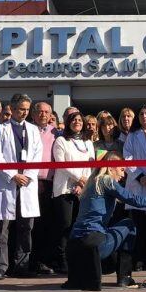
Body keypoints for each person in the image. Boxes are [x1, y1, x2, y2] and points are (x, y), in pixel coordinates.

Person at [64, 151, 146, 291]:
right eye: (121, 169)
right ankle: (125, 278)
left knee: (115, 227)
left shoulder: (90, 184)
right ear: (111, 167)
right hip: (92, 244)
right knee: (129, 224)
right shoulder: (106, 181)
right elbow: (137, 201)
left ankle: (112, 269)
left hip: (73, 246)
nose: (123, 175)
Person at [0, 93, 42, 279]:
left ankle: (22, 265)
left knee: (26, 227)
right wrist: (13, 176)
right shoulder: (1, 130)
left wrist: (26, 176)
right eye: (21, 109)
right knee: (2, 228)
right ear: (11, 108)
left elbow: (37, 156)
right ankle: (1, 266)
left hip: (27, 184)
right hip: (7, 183)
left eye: (27, 109)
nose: (25, 113)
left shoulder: (34, 130)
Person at [51, 110, 94, 273]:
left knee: (80, 226)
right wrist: (79, 179)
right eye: (74, 120)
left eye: (80, 120)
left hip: (82, 190)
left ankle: (79, 259)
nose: (77, 122)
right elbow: (61, 164)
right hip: (64, 190)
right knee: (65, 226)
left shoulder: (88, 142)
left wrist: (83, 183)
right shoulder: (61, 140)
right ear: (68, 122)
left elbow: (90, 166)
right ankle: (63, 261)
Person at [122, 104, 146, 270]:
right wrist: (140, 176)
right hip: (137, 183)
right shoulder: (132, 136)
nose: (144, 116)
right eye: (141, 114)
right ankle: (137, 259)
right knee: (137, 225)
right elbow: (127, 157)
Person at [28, 101, 57, 275]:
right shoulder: (28, 130)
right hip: (31, 182)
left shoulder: (56, 133)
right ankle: (30, 261)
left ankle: (43, 261)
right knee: (32, 225)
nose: (43, 115)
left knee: (47, 224)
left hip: (50, 183)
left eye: (47, 112)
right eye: (40, 111)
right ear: (33, 114)